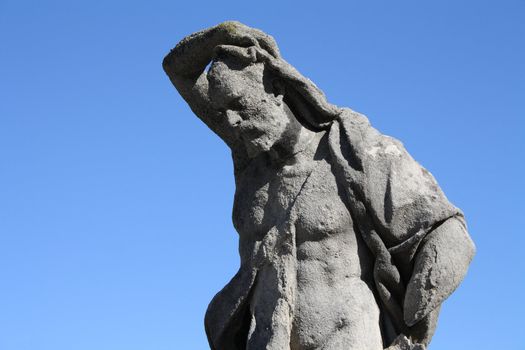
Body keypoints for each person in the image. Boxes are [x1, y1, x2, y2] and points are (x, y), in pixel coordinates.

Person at [163, 21, 475, 350]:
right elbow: (178, 69)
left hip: (346, 336)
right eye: (223, 112)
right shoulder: (249, 156)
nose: (231, 122)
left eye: (239, 105)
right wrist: (223, 34)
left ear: (276, 88)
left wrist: (411, 332)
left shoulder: (352, 147)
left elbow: (444, 230)